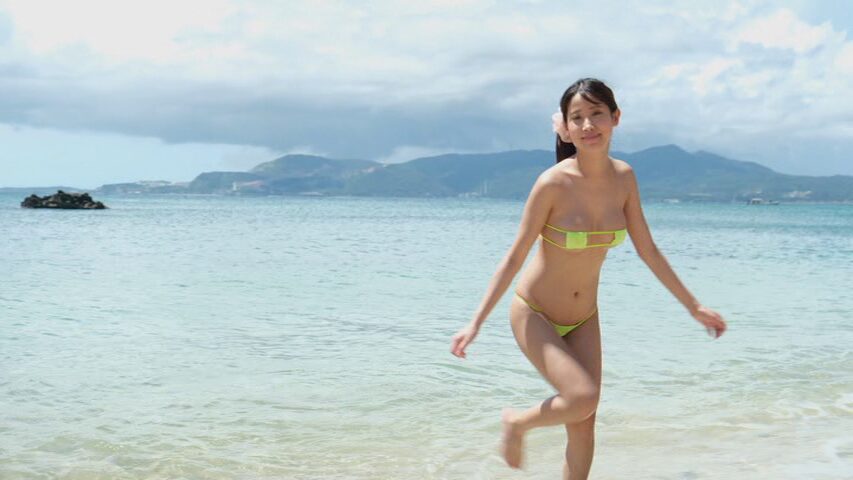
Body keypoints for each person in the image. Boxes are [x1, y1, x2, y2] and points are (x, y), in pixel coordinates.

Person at [449, 78, 727, 479]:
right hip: (535, 313)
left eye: (597, 114)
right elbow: (514, 257)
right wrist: (475, 323)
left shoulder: (624, 179)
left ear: (615, 118)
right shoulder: (553, 183)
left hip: (584, 318)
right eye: (577, 117)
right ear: (566, 127)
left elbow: (648, 250)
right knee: (582, 398)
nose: (588, 125)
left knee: (584, 424)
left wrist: (694, 306)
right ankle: (517, 422)